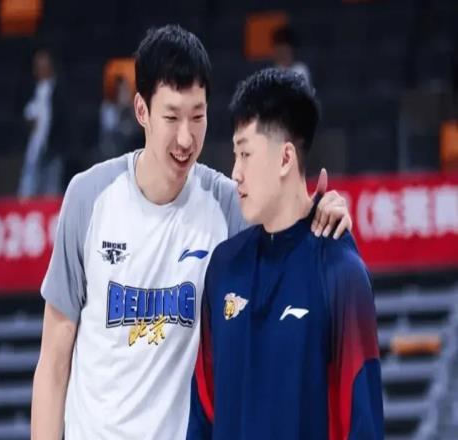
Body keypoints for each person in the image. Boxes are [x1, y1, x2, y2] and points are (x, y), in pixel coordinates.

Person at [31, 25, 353, 440]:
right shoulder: (89, 198)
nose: (186, 138)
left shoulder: (228, 206)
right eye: (171, 117)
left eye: (197, 116)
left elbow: (294, 239)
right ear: (142, 110)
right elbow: (53, 364)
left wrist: (321, 212)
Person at [187, 68, 383, 440]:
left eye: (245, 154)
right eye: (235, 155)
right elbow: (202, 413)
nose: (235, 172)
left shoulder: (341, 274)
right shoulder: (223, 268)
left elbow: (363, 425)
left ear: (285, 158)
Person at [18, 47, 70, 197]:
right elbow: (24, 116)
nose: (40, 69)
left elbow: (63, 121)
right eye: (37, 66)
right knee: (27, 191)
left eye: (44, 65)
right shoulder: (30, 89)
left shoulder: (59, 90)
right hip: (34, 149)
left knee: (50, 193)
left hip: (53, 151)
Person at [272, 25, 313, 90]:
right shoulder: (271, 73)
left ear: (291, 50)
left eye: (284, 50)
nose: (282, 54)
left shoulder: (301, 69)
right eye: (278, 50)